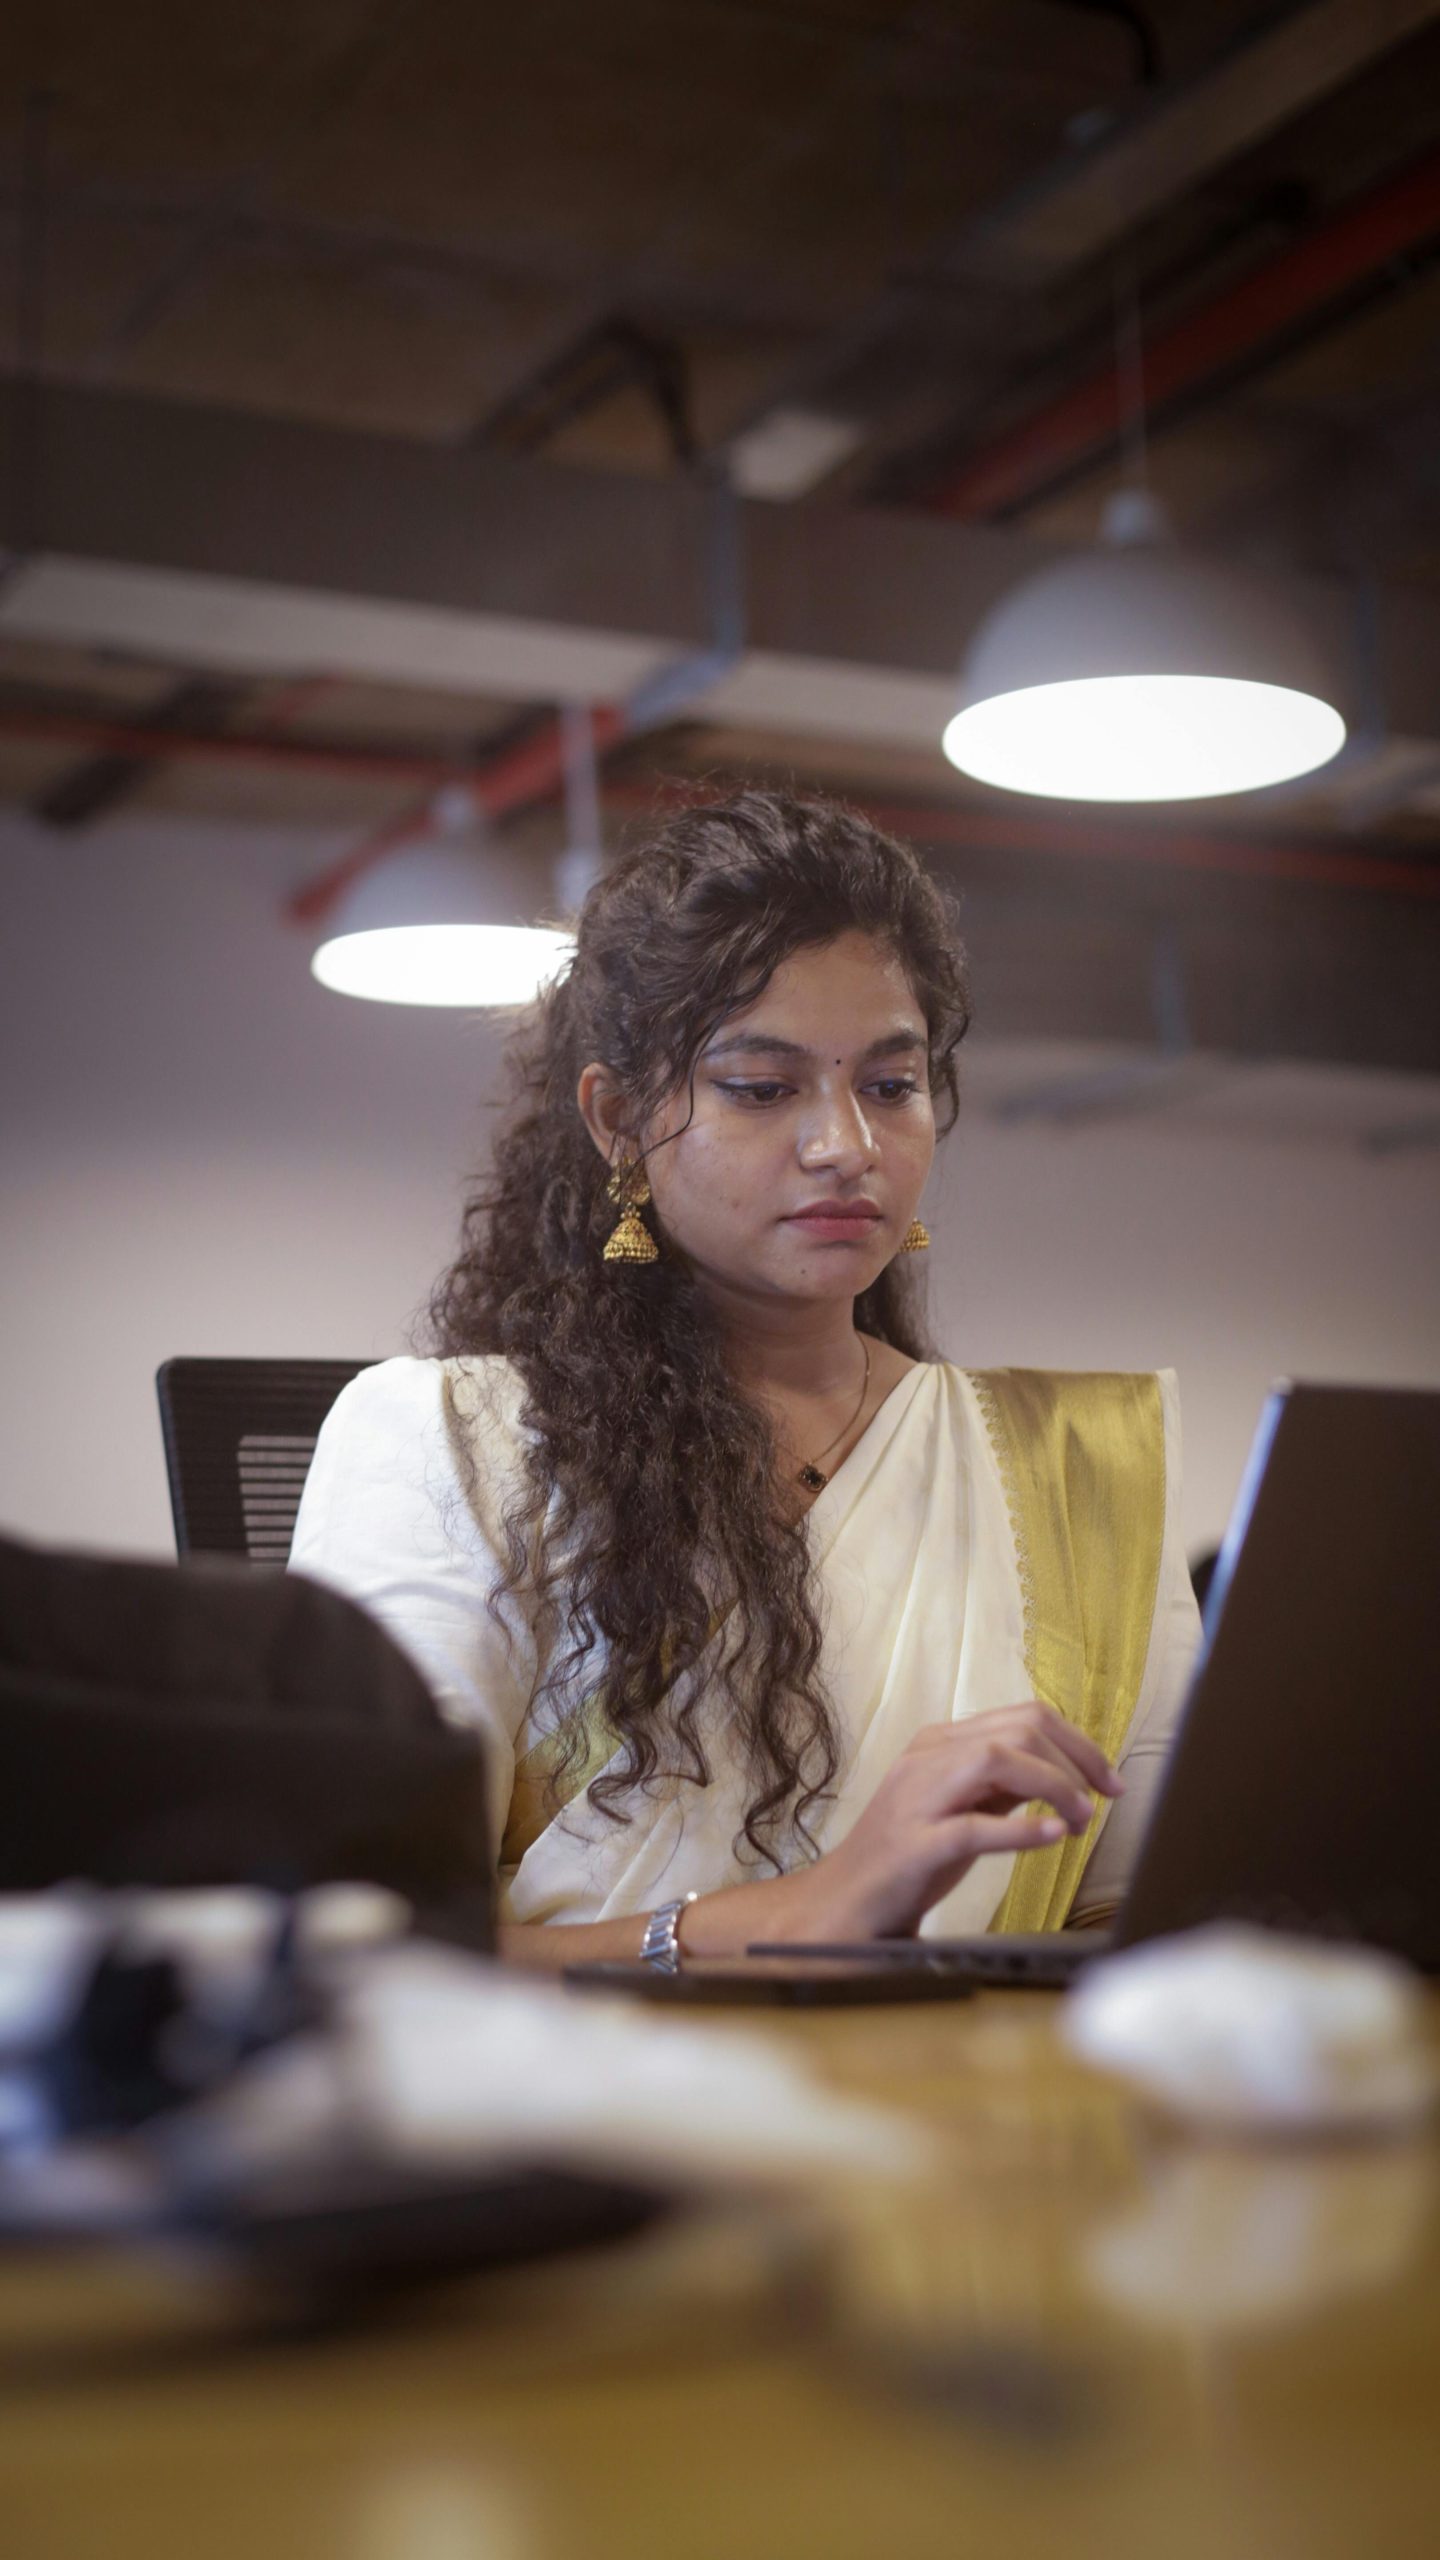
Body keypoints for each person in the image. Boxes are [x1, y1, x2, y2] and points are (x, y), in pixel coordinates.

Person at [291, 790, 1200, 1971]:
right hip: (597, 2124)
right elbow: (350, 1943)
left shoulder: (1082, 1466)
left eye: (890, 1084)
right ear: (620, 1120)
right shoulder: (454, 1440)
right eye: (762, 1088)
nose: (848, 1146)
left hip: (996, 2115)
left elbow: (1152, 1919)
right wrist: (789, 1917)